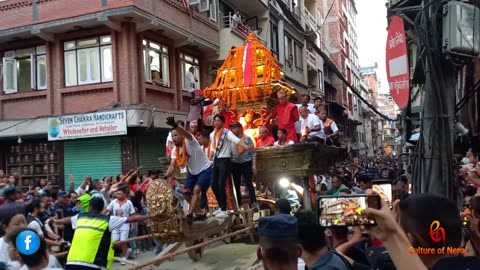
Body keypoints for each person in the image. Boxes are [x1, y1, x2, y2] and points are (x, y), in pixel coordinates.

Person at [55, 197, 155, 270]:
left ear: (90, 207)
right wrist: (151, 216)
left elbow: (67, 220)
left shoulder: (80, 217)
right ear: (102, 208)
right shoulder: (108, 220)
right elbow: (132, 219)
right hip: (94, 264)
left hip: (72, 262)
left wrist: (55, 221)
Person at [165, 116, 213, 224]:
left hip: (205, 169)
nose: (174, 138)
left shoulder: (191, 141)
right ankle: (200, 213)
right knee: (185, 194)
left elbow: (186, 133)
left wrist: (175, 125)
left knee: (196, 190)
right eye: (172, 136)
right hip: (192, 172)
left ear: (182, 135)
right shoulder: (174, 150)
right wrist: (165, 176)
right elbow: (172, 166)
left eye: (176, 135)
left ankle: (190, 214)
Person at [210, 114, 253, 219]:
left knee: (221, 184)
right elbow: (212, 148)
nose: (216, 122)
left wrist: (246, 146)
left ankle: (224, 210)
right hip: (216, 160)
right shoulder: (212, 134)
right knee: (213, 185)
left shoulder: (227, 133)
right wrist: (210, 158)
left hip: (225, 160)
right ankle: (221, 207)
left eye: (219, 121)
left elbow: (237, 141)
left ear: (223, 122)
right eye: (215, 120)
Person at [230, 122, 259, 211]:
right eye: (232, 128)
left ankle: (254, 203)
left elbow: (253, 153)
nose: (232, 130)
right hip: (235, 164)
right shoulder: (231, 139)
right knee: (236, 184)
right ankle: (239, 203)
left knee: (249, 183)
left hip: (246, 163)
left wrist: (254, 165)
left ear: (239, 129)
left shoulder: (247, 139)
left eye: (234, 128)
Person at [104, 184, 135, 265]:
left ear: (125, 194)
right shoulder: (113, 202)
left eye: (119, 194)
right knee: (114, 242)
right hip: (115, 224)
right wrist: (99, 216)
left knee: (123, 240)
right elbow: (106, 210)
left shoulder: (129, 203)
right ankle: (127, 250)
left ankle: (124, 257)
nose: (117, 195)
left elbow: (133, 215)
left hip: (125, 224)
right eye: (117, 194)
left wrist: (133, 225)